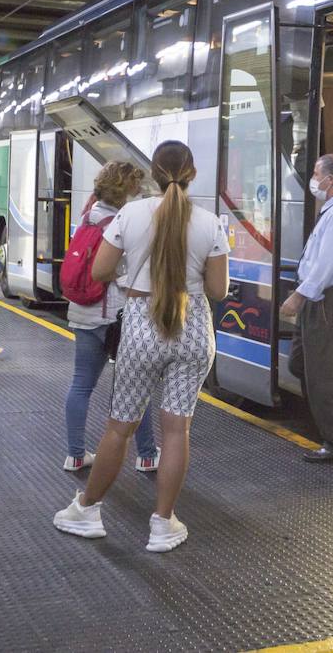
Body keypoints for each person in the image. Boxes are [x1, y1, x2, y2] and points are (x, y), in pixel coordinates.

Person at [53, 141, 228, 553]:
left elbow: (99, 271)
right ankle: (163, 524)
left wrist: (131, 272)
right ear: (193, 174)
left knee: (121, 426)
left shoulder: (130, 214)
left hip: (141, 326)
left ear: (153, 172)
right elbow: (218, 290)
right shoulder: (210, 223)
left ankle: (87, 509)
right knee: (176, 428)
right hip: (192, 328)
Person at [62, 161, 160, 474]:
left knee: (81, 385)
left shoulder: (87, 217)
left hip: (82, 314)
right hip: (114, 317)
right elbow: (119, 274)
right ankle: (146, 455)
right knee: (135, 387)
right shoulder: (120, 222)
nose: (139, 189)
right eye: (135, 184)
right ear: (124, 187)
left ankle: (75, 455)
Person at [280, 154, 333, 463]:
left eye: (316, 174)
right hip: (319, 300)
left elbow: (326, 268)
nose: (312, 179)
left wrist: (298, 297)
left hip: (327, 300)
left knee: (320, 374)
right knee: (300, 364)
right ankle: (328, 417)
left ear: (330, 180)